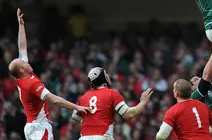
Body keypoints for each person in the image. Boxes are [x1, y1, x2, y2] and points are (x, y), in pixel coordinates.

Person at [8, 9, 90, 140]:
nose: (26, 62)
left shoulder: (21, 77)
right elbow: (53, 99)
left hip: (30, 126)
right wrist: (77, 106)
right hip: (39, 128)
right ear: (22, 70)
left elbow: (22, 47)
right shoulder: (32, 84)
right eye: (23, 63)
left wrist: (21, 25)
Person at [69, 67, 153, 139]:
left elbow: (73, 122)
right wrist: (143, 102)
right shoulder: (112, 93)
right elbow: (129, 115)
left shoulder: (83, 98)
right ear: (104, 78)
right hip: (103, 136)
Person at [190, 39, 212, 140]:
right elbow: (207, 76)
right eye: (195, 79)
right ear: (192, 88)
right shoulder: (195, 96)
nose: (199, 78)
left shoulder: (209, 90)